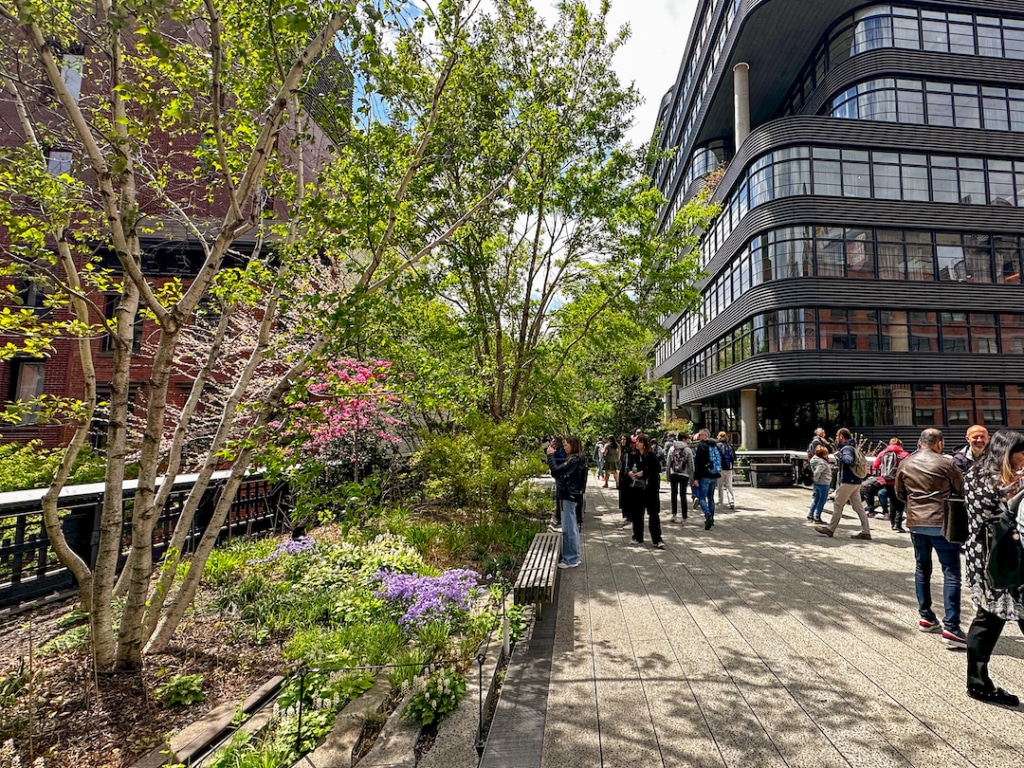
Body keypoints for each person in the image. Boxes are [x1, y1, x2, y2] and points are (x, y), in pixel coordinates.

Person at [962, 430, 1024, 706]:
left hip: (982, 556)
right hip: (1006, 560)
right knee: (991, 618)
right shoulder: (1005, 482)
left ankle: (977, 680)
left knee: (987, 618)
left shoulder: (975, 472)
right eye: (1021, 452)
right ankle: (977, 681)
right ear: (1009, 452)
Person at [894, 428, 966, 646]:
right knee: (951, 572)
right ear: (940, 443)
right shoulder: (947, 463)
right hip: (941, 523)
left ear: (920, 442)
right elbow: (960, 490)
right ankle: (951, 626)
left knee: (922, 569)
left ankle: (926, 616)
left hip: (916, 523)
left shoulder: (906, 463)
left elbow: (899, 493)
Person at [815, 428, 872, 540]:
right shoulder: (853, 447)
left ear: (841, 436)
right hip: (856, 481)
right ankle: (866, 531)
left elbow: (848, 460)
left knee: (838, 504)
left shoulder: (846, 449)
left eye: (837, 435)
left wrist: (838, 455)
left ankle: (830, 529)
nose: (836, 438)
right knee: (858, 507)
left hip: (847, 481)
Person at [546, 435, 587, 569]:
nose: (564, 447)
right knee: (570, 526)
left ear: (573, 445)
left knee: (569, 528)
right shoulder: (575, 459)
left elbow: (557, 470)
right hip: (569, 495)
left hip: (569, 495)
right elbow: (557, 472)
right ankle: (571, 556)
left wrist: (551, 456)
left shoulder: (575, 459)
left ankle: (571, 558)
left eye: (566, 445)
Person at [628, 434, 665, 548]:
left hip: (650, 488)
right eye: (637, 441)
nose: (637, 444)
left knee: (653, 514)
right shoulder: (635, 455)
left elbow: (657, 469)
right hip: (638, 488)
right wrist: (630, 472)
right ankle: (637, 536)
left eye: (640, 441)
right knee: (637, 513)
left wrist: (644, 472)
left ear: (645, 444)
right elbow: (629, 467)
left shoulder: (651, 456)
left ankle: (657, 539)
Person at [873, 437, 910, 532]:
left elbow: (875, 466)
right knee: (900, 503)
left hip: (886, 482)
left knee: (892, 502)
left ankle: (892, 523)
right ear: (900, 445)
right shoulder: (904, 455)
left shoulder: (883, 453)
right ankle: (898, 525)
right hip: (899, 482)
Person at [692, 429, 721, 530]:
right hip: (714, 474)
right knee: (711, 497)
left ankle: (708, 515)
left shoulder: (701, 446)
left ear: (705, 436)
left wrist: (695, 478)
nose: (698, 437)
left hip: (704, 475)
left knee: (701, 497)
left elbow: (698, 463)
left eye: (700, 435)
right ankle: (712, 518)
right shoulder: (715, 445)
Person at [666, 433, 694, 522]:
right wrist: (691, 476)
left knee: (674, 493)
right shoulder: (688, 449)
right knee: (683, 495)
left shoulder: (672, 448)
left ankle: (674, 514)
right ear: (684, 439)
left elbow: (668, 463)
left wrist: (667, 474)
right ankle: (684, 516)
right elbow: (691, 464)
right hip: (684, 474)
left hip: (673, 473)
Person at [807, 445, 831, 522]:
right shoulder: (822, 462)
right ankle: (817, 517)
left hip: (816, 484)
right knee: (822, 500)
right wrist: (816, 478)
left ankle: (810, 514)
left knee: (816, 499)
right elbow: (817, 472)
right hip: (823, 483)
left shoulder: (813, 459)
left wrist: (815, 480)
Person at [547, 437, 566, 531]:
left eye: (554, 441)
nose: (552, 443)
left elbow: (561, 459)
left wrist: (552, 454)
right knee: (558, 498)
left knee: (560, 498)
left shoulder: (561, 451)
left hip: (561, 476)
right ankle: (559, 518)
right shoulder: (557, 450)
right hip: (558, 476)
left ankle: (560, 518)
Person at [716, 431, 736, 510]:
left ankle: (720, 501)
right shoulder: (729, 445)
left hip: (720, 468)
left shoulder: (717, 446)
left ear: (719, 437)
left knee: (720, 486)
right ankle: (731, 501)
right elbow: (734, 457)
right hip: (729, 468)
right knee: (729, 485)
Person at [617, 435, 634, 527]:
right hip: (623, 476)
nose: (622, 441)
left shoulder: (629, 451)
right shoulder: (623, 450)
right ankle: (625, 516)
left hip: (628, 477)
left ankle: (629, 517)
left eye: (624, 439)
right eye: (622, 439)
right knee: (623, 497)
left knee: (628, 497)